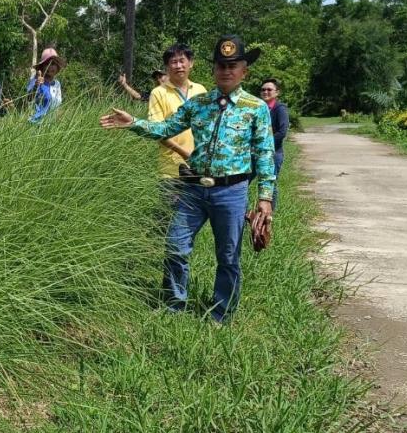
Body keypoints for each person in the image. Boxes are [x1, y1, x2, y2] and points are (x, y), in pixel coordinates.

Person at [100, 35, 275, 323]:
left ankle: (221, 314)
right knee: (175, 247)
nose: (226, 70)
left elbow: (265, 154)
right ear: (213, 69)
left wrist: (265, 198)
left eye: (233, 65)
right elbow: (166, 128)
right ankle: (173, 306)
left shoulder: (255, 108)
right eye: (221, 65)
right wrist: (133, 123)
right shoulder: (199, 104)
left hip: (231, 192)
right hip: (192, 188)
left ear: (245, 70)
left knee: (228, 257)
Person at [148, 45, 207, 194]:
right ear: (167, 66)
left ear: (191, 63)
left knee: (197, 214)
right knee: (168, 215)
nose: (179, 66)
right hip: (171, 170)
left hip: (200, 168)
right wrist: (186, 154)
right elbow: (156, 131)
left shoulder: (201, 90)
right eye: (174, 62)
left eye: (182, 61)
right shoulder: (158, 93)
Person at [259, 77, 290, 206]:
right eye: (263, 89)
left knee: (270, 185)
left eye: (269, 89)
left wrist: (265, 143)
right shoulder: (259, 108)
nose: (265, 92)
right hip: (256, 153)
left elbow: (282, 132)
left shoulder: (280, 109)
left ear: (277, 92)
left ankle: (268, 214)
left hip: (273, 153)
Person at [26, 47, 66, 123]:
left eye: (53, 64)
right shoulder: (35, 80)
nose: (50, 67)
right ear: (42, 66)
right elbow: (28, 99)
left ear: (57, 67)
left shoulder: (57, 84)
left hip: (51, 125)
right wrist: (36, 86)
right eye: (47, 63)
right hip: (36, 124)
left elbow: (57, 105)